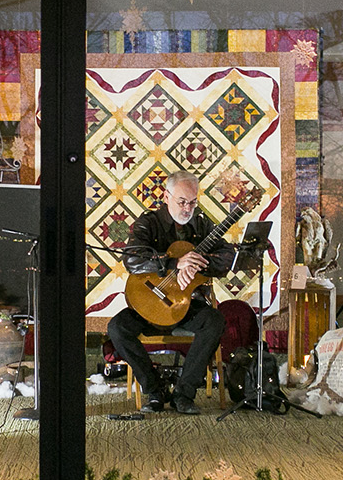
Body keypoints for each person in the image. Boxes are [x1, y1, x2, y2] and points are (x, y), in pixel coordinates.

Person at [109, 171, 256, 415]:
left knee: (215, 321)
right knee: (117, 328)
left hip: (186, 305)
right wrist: (174, 263)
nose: (188, 208)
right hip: (150, 303)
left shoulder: (201, 223)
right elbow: (132, 260)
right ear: (166, 196)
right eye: (182, 202)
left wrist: (198, 262)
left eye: (193, 202)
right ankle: (155, 391)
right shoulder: (148, 223)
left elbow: (228, 256)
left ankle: (184, 394)